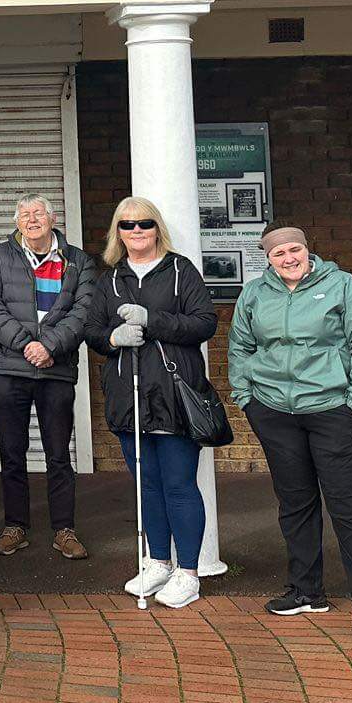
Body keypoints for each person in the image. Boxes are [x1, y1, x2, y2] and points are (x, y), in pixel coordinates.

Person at [228, 225, 352, 640]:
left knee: (349, 509)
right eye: (278, 252)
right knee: (295, 504)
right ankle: (305, 591)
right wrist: (246, 398)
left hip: (332, 410)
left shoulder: (341, 285)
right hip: (275, 413)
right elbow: (240, 347)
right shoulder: (255, 294)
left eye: (294, 249)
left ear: (307, 250)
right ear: (267, 258)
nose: (288, 258)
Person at [83, 197, 218, 610]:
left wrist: (151, 320)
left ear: (156, 227)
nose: (136, 232)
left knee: (178, 485)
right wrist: (112, 338)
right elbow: (91, 330)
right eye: (127, 225)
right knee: (148, 486)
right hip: (129, 398)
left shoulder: (180, 271)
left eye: (144, 224)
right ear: (117, 233)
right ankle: (158, 562)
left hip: (174, 395)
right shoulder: (111, 280)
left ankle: (189, 572)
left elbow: (204, 322)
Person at [0, 195, 98, 561]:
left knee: (58, 454)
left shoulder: (78, 261)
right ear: (17, 222)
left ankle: (64, 530)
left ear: (53, 218)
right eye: (25, 215)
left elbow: (84, 311)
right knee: (12, 453)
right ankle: (16, 527)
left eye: (38, 213)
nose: (32, 220)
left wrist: (48, 346)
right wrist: (26, 344)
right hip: (8, 369)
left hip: (56, 370)